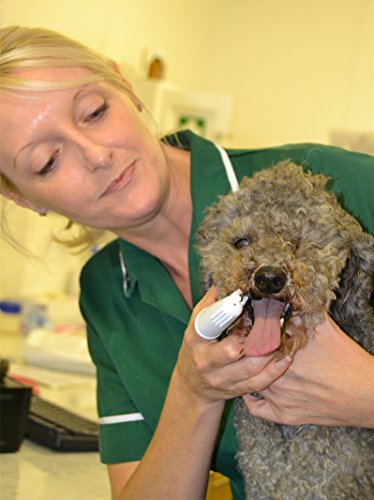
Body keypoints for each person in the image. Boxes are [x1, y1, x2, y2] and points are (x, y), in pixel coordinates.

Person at [0, 25, 373, 500]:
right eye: (47, 162)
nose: (97, 155)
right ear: (23, 198)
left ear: (125, 87)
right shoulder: (107, 292)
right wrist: (192, 392)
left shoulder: (342, 188)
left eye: (94, 112)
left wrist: (365, 395)